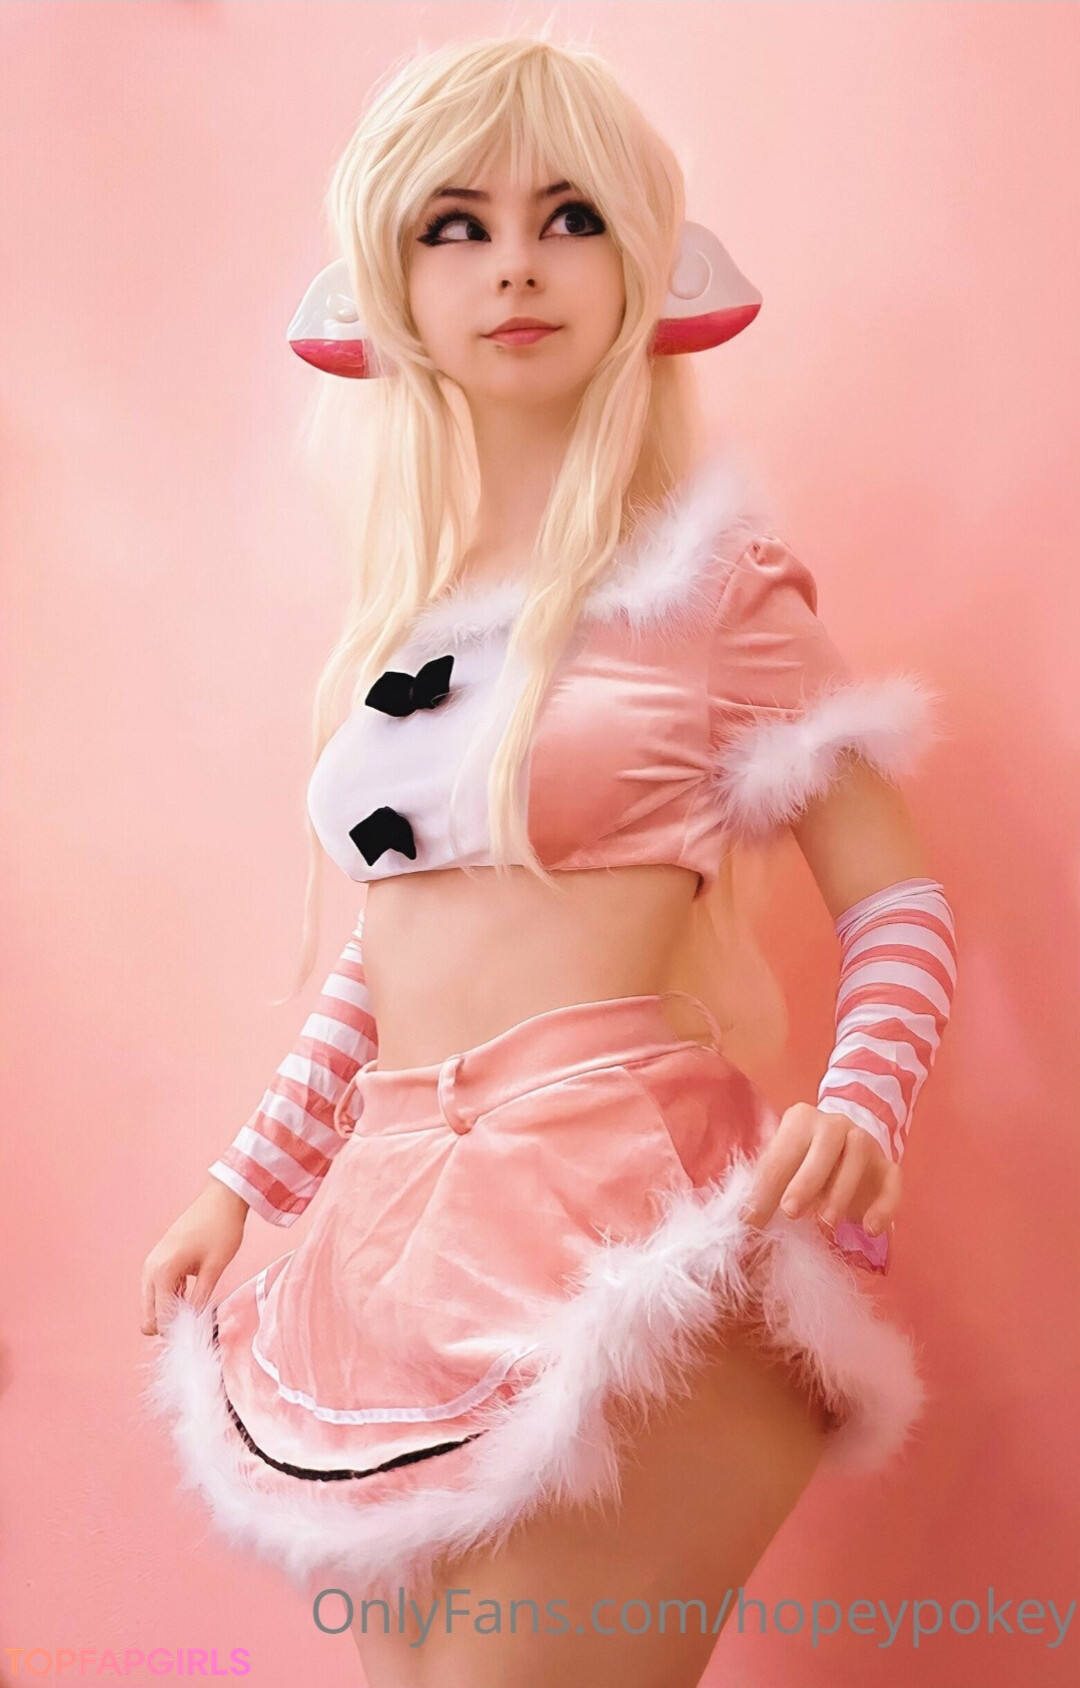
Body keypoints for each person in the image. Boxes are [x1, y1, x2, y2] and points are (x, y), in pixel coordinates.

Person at [138, 35, 957, 1688]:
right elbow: (386, 961)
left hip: (627, 1234)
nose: (515, 263)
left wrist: (861, 1106)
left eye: (569, 216)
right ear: (394, 284)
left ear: (642, 264)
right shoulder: (406, 632)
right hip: (391, 1247)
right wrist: (245, 1183)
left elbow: (901, 904)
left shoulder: (717, 592)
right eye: (456, 225)